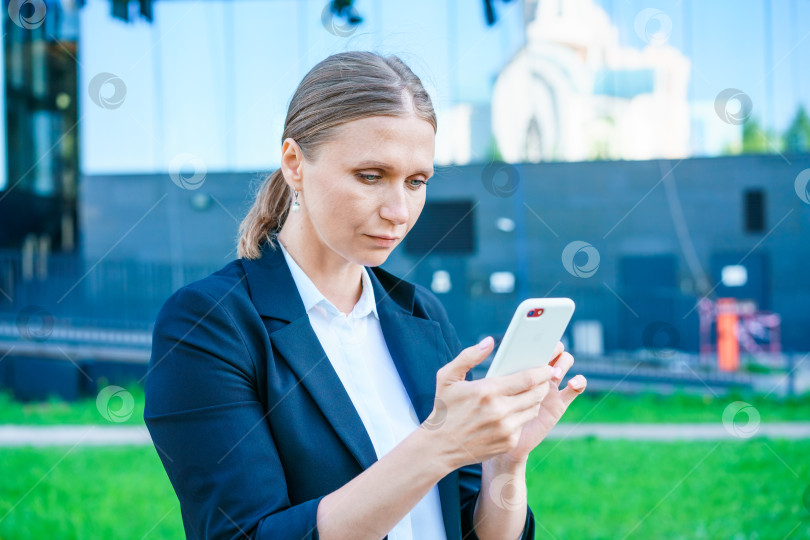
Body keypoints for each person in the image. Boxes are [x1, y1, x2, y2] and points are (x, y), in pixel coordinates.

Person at [144, 50, 587, 540]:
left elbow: (471, 528)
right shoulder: (209, 324)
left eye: (416, 181)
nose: (399, 210)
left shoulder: (420, 314)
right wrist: (438, 444)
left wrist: (503, 462)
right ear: (294, 163)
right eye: (370, 176)